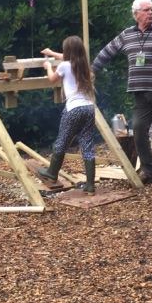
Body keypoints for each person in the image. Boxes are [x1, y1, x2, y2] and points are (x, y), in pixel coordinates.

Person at [91, 0, 152, 184]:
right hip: (140, 91)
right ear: (135, 14)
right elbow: (107, 51)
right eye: (146, 10)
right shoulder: (127, 34)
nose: (150, 13)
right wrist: (93, 70)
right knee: (138, 129)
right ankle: (147, 168)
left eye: (151, 10)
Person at [37, 36, 97, 195]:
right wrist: (51, 52)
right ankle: (90, 186)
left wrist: (48, 66)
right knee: (87, 145)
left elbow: (52, 79)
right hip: (89, 108)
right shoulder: (84, 66)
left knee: (62, 140)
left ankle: (52, 172)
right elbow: (68, 60)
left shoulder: (64, 66)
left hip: (74, 109)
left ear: (68, 51)